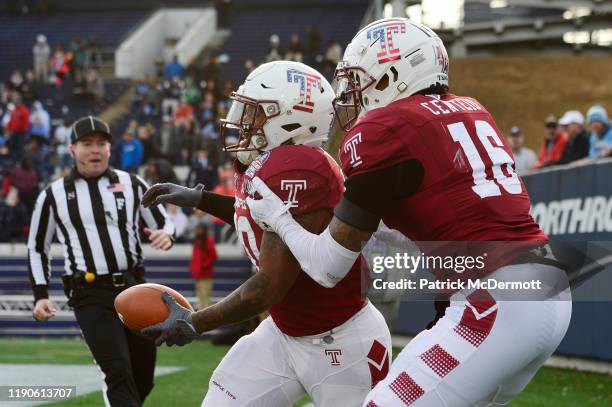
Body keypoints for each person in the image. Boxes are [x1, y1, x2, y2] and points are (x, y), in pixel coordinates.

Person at [247, 19, 572, 407]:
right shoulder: (470, 109)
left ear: (395, 75)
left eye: (361, 81)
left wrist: (278, 217)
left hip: (497, 299)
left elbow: (329, 267)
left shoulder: (387, 128)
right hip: (548, 288)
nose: (354, 95)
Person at [140, 61, 392, 406]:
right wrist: (200, 199)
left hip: (341, 343)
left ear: (290, 118)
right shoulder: (272, 161)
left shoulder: (298, 167)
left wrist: (196, 322)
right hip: (284, 332)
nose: (244, 121)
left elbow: (268, 286)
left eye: (256, 112)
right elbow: (257, 219)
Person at [28, 116, 175, 406]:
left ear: (110, 148)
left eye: (101, 144)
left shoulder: (132, 184)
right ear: (72, 150)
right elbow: (37, 247)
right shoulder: (53, 195)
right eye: (86, 144)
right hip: (89, 293)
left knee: (143, 375)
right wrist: (40, 295)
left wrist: (165, 236)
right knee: (118, 372)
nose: (94, 150)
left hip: (134, 288)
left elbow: (164, 222)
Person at [189, 223, 217, 309]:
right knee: (200, 295)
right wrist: (193, 268)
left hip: (206, 274)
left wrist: (204, 265)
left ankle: (207, 314)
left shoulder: (209, 240)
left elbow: (213, 255)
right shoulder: (196, 241)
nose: (199, 231)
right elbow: (194, 257)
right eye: (198, 229)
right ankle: (201, 314)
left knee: (206, 295)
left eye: (201, 229)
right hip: (197, 274)